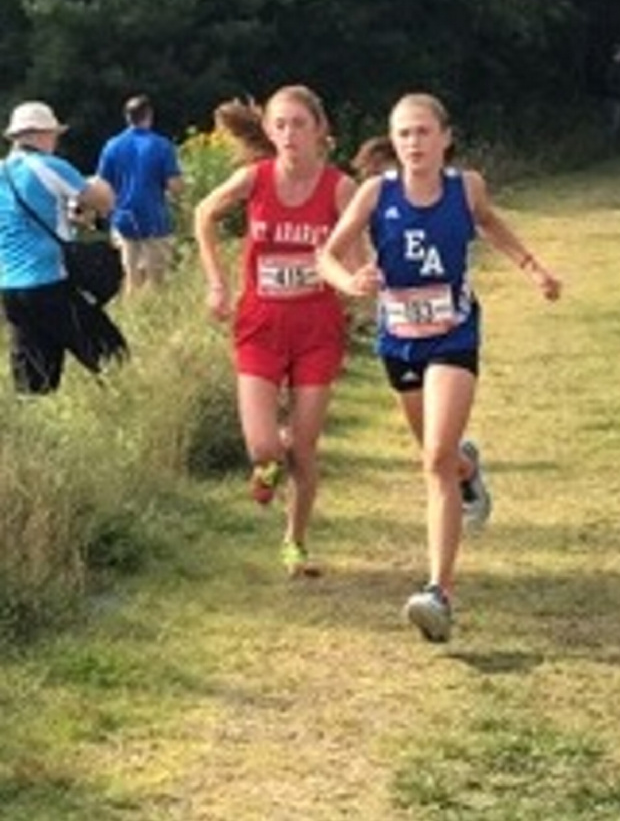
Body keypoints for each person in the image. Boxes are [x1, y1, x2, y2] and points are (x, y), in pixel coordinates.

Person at [318, 93, 562, 643]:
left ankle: (439, 593)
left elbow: (491, 224)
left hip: (454, 336)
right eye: (404, 134)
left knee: (433, 461)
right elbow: (328, 254)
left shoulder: (465, 187)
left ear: (445, 137)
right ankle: (468, 473)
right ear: (393, 141)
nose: (414, 143)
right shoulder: (374, 194)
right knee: (440, 455)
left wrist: (533, 269)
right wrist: (348, 281)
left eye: (424, 132)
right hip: (399, 341)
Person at [194, 84, 360, 578]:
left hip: (317, 327)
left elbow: (356, 254)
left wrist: (358, 277)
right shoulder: (254, 179)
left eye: (299, 125)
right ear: (268, 130)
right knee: (266, 447)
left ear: (320, 130)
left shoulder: (339, 188)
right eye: (280, 125)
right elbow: (203, 214)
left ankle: (295, 542)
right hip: (261, 324)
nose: (289, 134)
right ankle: (267, 467)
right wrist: (216, 283)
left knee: (304, 449)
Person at [0, 101, 128, 394]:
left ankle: (31, 437)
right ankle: (133, 413)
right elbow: (104, 202)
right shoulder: (49, 166)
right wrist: (101, 185)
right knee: (111, 355)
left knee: (35, 380)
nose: (55, 140)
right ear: (40, 134)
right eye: (53, 134)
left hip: (10, 287)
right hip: (50, 281)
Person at [96, 94, 184, 294]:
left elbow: (102, 185)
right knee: (157, 281)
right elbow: (175, 186)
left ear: (127, 117)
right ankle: (155, 320)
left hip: (122, 219)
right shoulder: (161, 145)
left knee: (131, 277)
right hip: (155, 219)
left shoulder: (112, 146)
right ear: (149, 115)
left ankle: (132, 319)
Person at [602, 42, 620, 145]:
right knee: (613, 124)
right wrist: (619, 92)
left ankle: (610, 145)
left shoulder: (619, 67)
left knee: (614, 124)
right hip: (613, 100)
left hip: (617, 99)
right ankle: (608, 146)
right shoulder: (612, 67)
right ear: (617, 53)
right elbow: (608, 83)